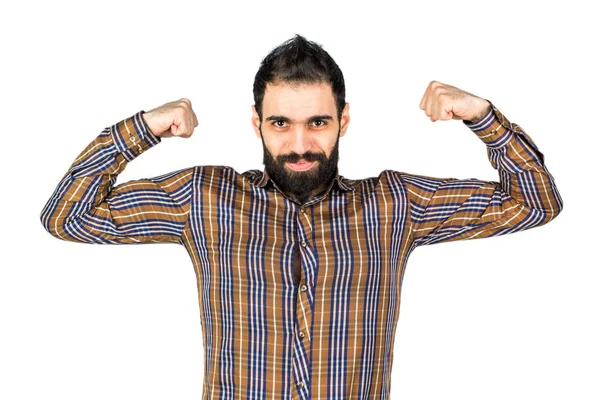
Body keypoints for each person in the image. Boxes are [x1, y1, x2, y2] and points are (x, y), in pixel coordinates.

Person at [40, 34, 563, 399]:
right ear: (256, 123)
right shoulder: (206, 198)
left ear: (344, 120)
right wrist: (145, 127)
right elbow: (68, 215)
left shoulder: (393, 205)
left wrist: (482, 117)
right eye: (280, 123)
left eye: (317, 122)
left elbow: (535, 203)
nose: (299, 145)